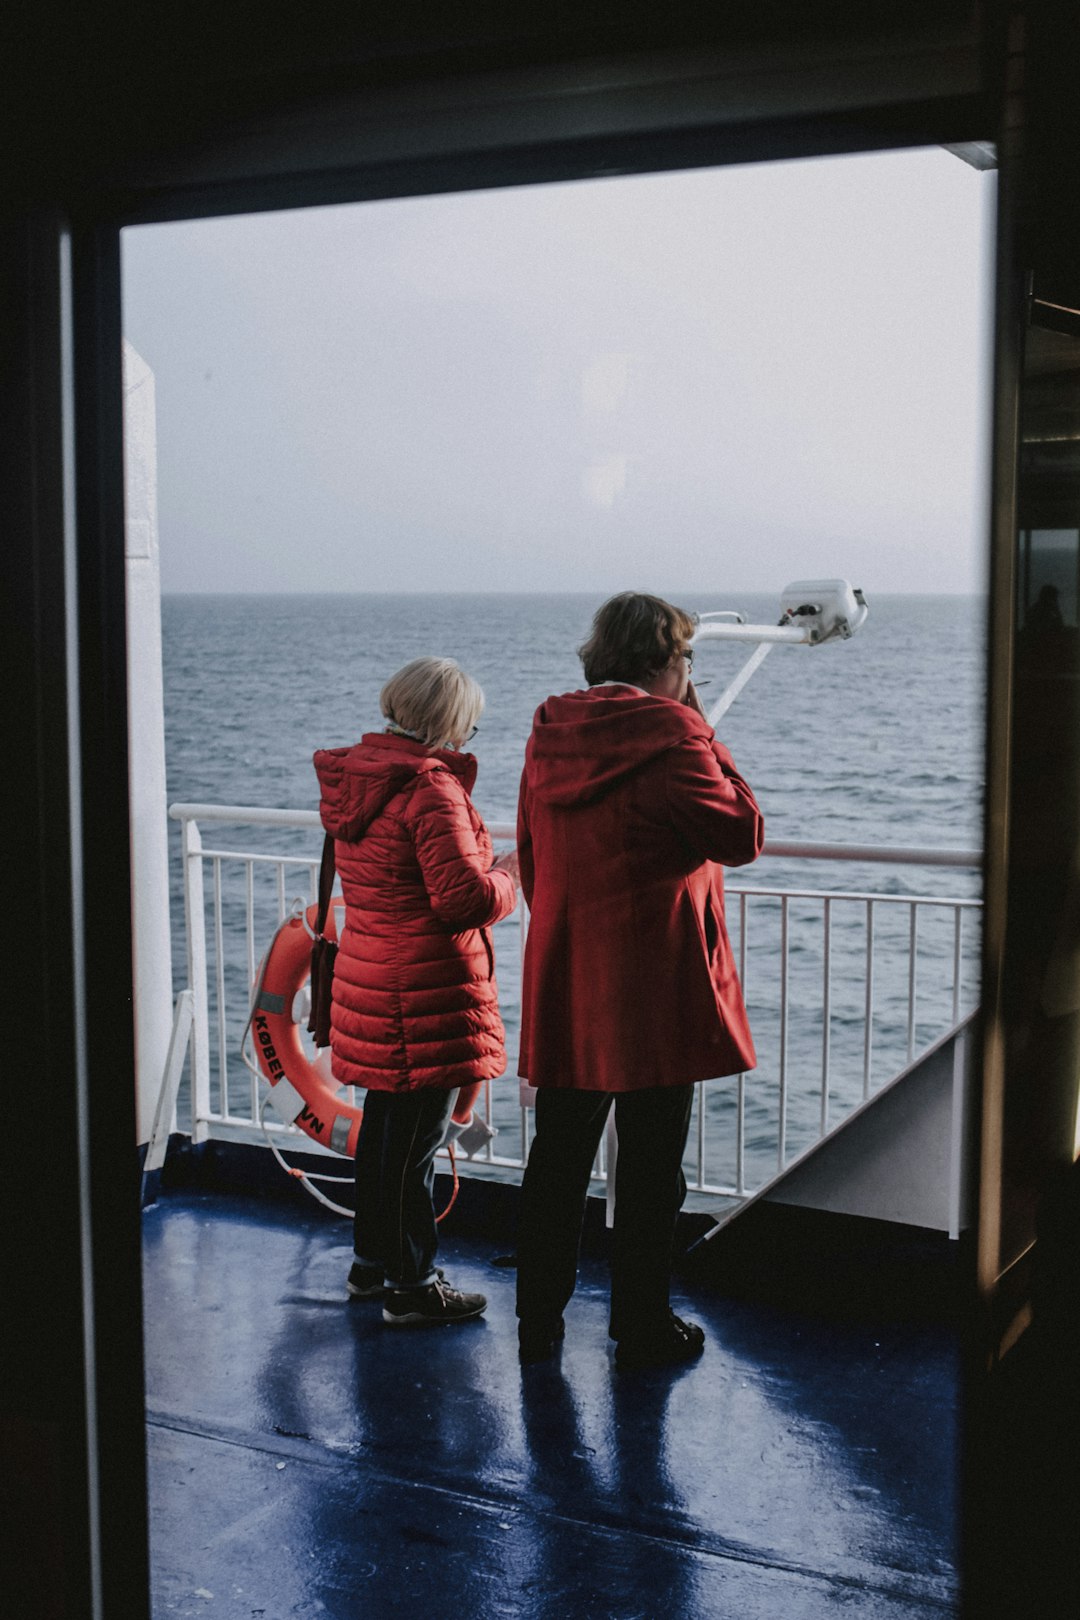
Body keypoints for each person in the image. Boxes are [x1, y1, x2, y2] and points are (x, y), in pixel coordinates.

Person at [514, 592, 763, 1368]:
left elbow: (528, 851)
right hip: (654, 984)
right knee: (652, 1169)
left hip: (568, 973)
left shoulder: (550, 732)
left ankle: (538, 1322)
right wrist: (704, 728)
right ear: (663, 660)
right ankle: (640, 1323)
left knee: (556, 1160)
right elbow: (741, 833)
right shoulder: (676, 735)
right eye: (686, 657)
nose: (691, 670)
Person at [313, 656, 519, 1327]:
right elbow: (461, 899)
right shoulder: (429, 789)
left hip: (374, 976)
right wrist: (514, 873)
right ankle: (413, 1284)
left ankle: (371, 1267)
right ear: (448, 723)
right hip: (424, 988)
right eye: (470, 726)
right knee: (413, 1148)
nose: (469, 737)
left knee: (384, 1135)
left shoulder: (360, 777)